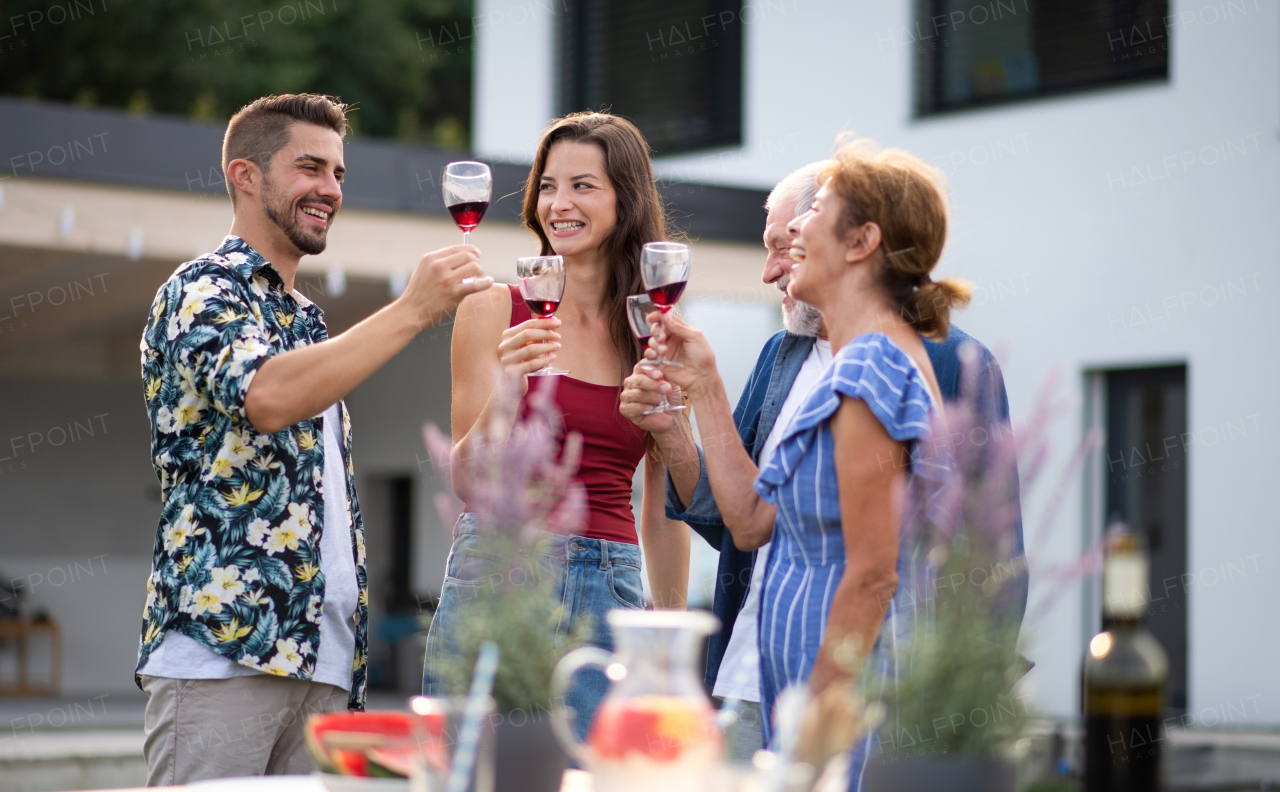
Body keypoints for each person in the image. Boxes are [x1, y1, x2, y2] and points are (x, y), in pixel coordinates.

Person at [136, 93, 492, 784]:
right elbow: (266, 397)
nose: (329, 189)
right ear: (245, 174)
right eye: (309, 167)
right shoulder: (203, 291)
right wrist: (415, 309)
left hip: (325, 663)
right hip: (223, 654)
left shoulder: (308, 320)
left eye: (337, 172)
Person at [620, 160, 1026, 761]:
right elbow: (754, 521)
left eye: (810, 217)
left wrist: (816, 728)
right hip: (776, 693)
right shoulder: (837, 361)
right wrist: (702, 388)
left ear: (862, 243)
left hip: (837, 711)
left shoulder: (872, 369)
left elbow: (874, 574)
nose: (788, 247)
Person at [423, 112, 691, 738]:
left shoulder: (651, 329)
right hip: (503, 572)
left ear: (625, 200)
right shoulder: (495, 307)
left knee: (601, 774)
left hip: (612, 585)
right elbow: (469, 482)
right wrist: (510, 390)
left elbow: (663, 508)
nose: (558, 203)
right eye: (547, 185)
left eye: (582, 185)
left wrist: (667, 640)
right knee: (474, 773)